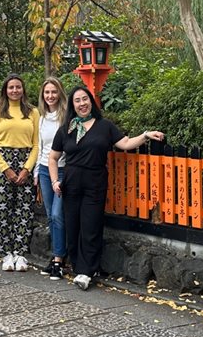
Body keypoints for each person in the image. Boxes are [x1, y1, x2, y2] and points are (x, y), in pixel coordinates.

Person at [50, 87, 164, 290]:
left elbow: (126, 143)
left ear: (91, 102)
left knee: (91, 226)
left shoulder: (105, 126)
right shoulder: (66, 128)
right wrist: (54, 181)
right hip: (71, 182)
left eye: (85, 99)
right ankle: (78, 267)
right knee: (73, 226)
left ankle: (87, 271)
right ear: (72, 105)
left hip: (95, 181)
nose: (82, 103)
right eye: (77, 100)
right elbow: (53, 157)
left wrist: (146, 135)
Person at [0, 74, 40, 273]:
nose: (15, 91)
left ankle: (20, 253)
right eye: (11, 87)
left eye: (18, 87)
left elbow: (36, 144)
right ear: (5, 90)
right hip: (3, 161)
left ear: (23, 90)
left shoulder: (33, 112)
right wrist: (5, 168)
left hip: (26, 160)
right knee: (2, 209)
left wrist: (27, 168)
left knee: (24, 209)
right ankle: (6, 253)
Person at [35, 78, 67, 279]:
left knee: (57, 214)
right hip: (46, 170)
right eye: (47, 92)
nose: (50, 96)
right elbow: (40, 146)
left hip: (63, 169)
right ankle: (57, 256)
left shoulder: (66, 116)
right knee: (50, 215)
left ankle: (59, 259)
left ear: (60, 93)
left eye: (54, 92)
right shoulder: (41, 117)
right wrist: (37, 172)